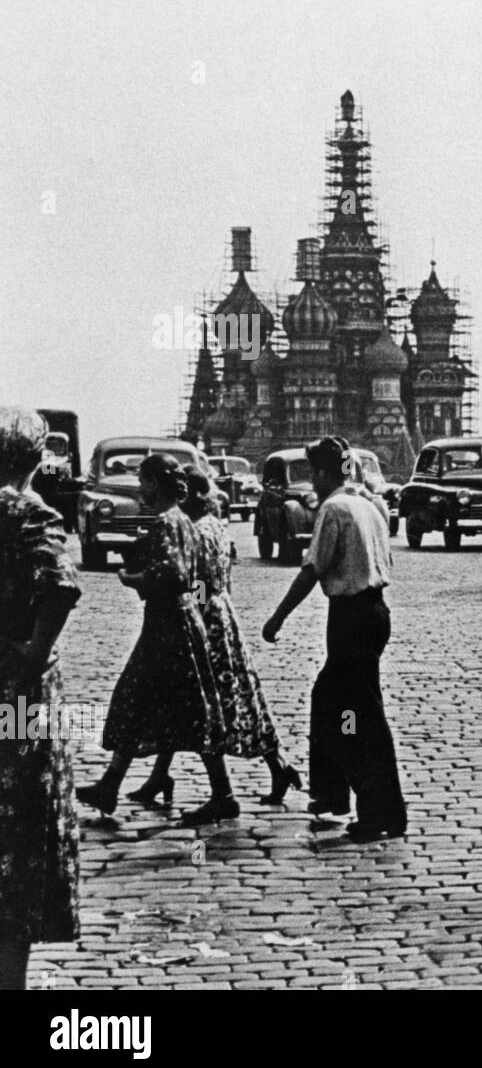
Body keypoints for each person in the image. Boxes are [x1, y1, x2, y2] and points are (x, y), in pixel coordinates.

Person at [128, 467, 301, 808]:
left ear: (188, 495)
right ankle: (162, 776)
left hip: (206, 618)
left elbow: (200, 580)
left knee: (201, 704)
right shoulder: (216, 526)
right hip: (222, 614)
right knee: (227, 698)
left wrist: (191, 608)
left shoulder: (196, 530)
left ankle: (223, 792)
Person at [77, 454, 234, 825]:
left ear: (156, 484)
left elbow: (176, 575)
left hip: (169, 627)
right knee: (165, 703)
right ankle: (111, 785)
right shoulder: (181, 520)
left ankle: (221, 794)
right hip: (175, 623)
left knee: (151, 700)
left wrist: (136, 580)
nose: (141, 489)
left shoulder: (166, 522)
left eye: (144, 482)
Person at [262, 436, 406, 843]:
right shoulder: (371, 505)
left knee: (357, 718)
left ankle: (377, 811)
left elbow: (312, 569)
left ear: (326, 473)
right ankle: (334, 793)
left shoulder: (334, 508)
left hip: (351, 617)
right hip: (374, 613)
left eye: (314, 473)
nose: (313, 482)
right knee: (333, 704)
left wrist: (278, 617)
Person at [0, 407, 81, 989]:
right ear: (34, 460)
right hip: (17, 696)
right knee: (21, 838)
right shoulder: (29, 512)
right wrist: (33, 651)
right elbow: (61, 587)